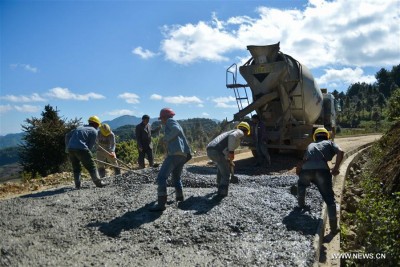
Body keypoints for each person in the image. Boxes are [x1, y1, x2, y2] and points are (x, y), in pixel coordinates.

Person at [296, 127, 344, 233]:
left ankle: (301, 204)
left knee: (301, 184)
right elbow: (340, 151)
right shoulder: (329, 143)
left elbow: (303, 161)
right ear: (326, 136)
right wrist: (335, 169)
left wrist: (299, 172)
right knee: (329, 199)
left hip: (306, 170)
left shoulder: (310, 145)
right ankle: (333, 228)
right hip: (322, 171)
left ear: (315, 137)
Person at [150, 108, 191, 212]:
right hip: (182, 155)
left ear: (164, 117)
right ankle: (180, 198)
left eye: (161, 119)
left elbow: (176, 130)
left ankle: (161, 204)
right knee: (176, 177)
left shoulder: (170, 121)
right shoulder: (173, 122)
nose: (161, 121)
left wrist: (166, 138)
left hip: (175, 154)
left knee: (161, 177)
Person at [206, 121, 250, 197]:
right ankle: (222, 194)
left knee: (222, 167)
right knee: (226, 174)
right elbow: (232, 137)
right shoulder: (239, 132)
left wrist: (229, 161)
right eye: (246, 134)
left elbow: (226, 149)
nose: (244, 136)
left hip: (210, 149)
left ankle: (219, 186)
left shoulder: (229, 132)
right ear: (245, 131)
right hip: (217, 151)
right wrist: (231, 153)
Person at [65, 116, 106, 189]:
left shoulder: (79, 127)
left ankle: (77, 185)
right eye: (97, 125)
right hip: (82, 149)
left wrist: (67, 147)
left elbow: (67, 135)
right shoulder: (94, 131)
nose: (97, 127)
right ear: (95, 124)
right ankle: (98, 183)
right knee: (92, 166)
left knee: (76, 168)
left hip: (71, 149)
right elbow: (90, 146)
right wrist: (87, 157)